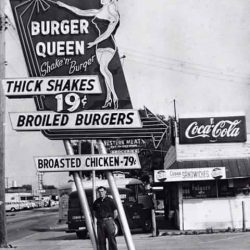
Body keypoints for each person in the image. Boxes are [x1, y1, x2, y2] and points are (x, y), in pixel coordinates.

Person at [57, 0, 120, 109]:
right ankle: (108, 98)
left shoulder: (114, 15)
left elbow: (107, 34)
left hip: (108, 44)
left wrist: (94, 42)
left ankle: (115, 96)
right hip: (98, 46)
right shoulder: (98, 11)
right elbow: (80, 12)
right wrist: (64, 5)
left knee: (103, 69)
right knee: (103, 72)